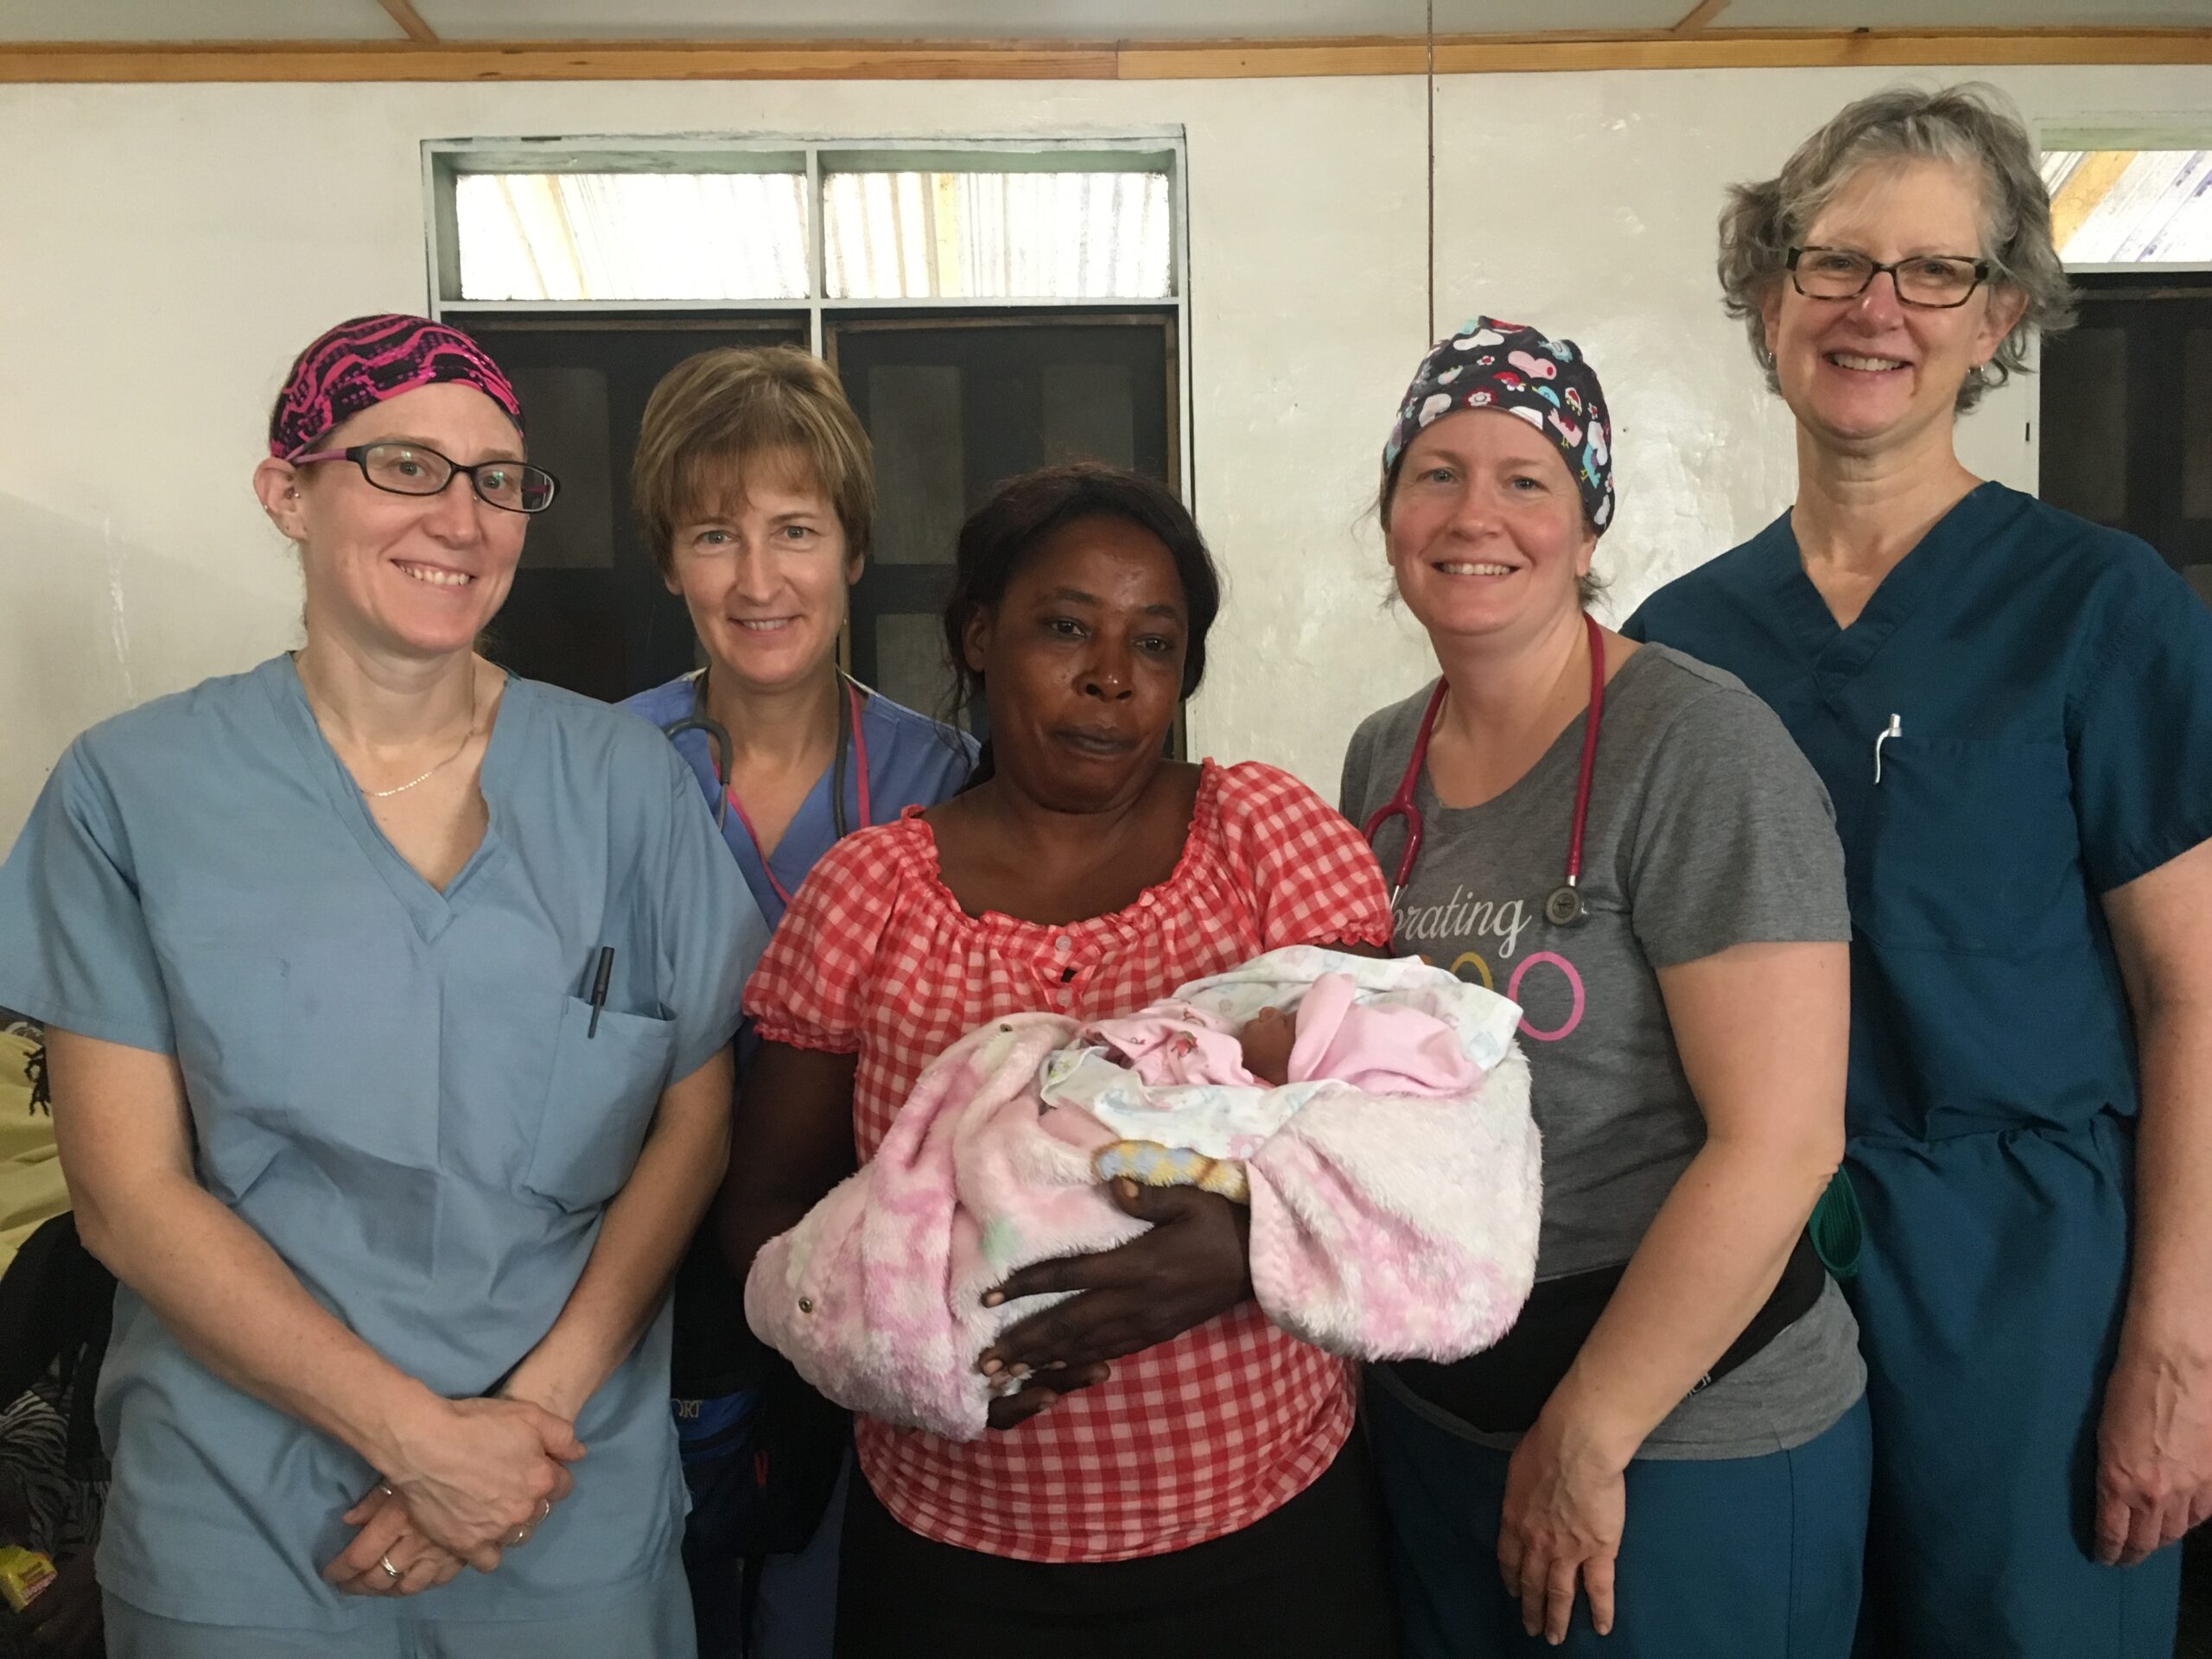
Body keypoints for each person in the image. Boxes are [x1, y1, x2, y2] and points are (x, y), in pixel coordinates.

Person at [0, 314, 765, 1657]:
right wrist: (419, 1443)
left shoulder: (627, 788)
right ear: (287, 491)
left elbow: (695, 1119)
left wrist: (517, 1436)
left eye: (496, 477)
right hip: (247, 1523)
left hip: (563, 1497)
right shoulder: (132, 794)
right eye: (404, 465)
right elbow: (127, 1200)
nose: (461, 518)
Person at [1624, 84, 2212, 1658]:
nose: (1876, 307)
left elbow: (2193, 995)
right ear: (1769, 296)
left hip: (2026, 1286)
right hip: (1747, 1264)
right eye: (1833, 263)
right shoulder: (1679, 645)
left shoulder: (2103, 606)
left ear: (2000, 312)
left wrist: (2177, 1337)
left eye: (1934, 272)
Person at [719, 463, 1402, 1656]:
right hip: (952, 1562)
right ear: (980, 634)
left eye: (1154, 642)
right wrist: (896, 1358)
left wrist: (1250, 1253)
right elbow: (769, 1211)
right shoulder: (870, 896)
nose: (1109, 677)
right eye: (1065, 628)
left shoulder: (1266, 845)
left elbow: (1408, 1143)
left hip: (1266, 1540)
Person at [1342, 317, 1870, 1655]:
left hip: (1680, 1442)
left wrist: (1588, 1437)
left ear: (1588, 529)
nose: (1476, 514)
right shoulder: (1381, 760)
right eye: (1436, 473)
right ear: (1392, 510)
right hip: (1444, 1416)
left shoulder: (1697, 748)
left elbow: (1786, 1142)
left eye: (1527, 480)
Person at [617, 346, 974, 1659]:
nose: (758, 581)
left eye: (795, 532)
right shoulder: (600, 773)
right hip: (653, 1307)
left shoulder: (949, 784)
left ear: (854, 552)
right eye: (716, 535)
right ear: (669, 560)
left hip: (877, 1304)